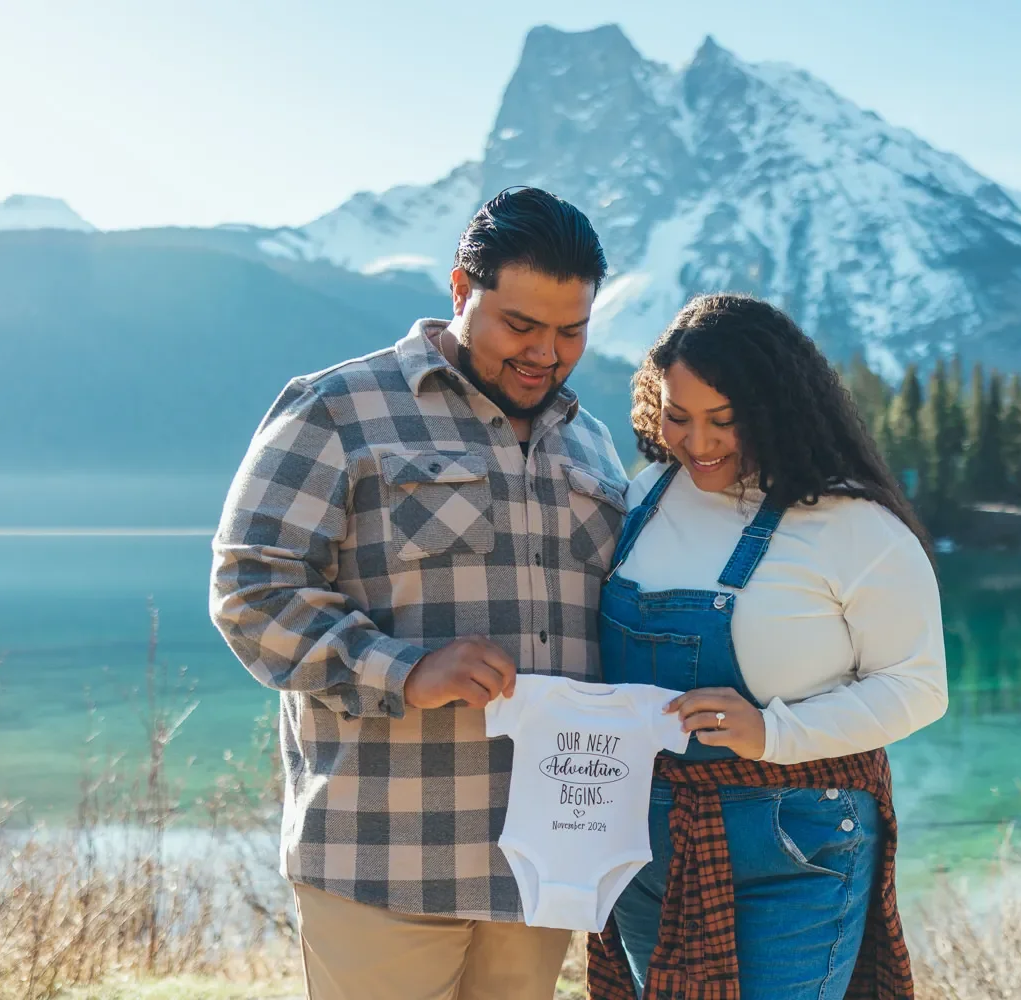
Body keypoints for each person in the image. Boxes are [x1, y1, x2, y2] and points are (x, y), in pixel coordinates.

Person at [209, 187, 630, 1000]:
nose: (547, 353)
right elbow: (250, 588)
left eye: (571, 331)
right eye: (522, 325)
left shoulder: (593, 440)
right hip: (386, 859)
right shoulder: (339, 409)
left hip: (541, 866)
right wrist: (402, 670)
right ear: (461, 290)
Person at [587, 294, 948, 1000]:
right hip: (646, 840)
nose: (697, 443)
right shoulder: (644, 497)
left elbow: (918, 686)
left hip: (796, 846)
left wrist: (773, 730)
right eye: (676, 415)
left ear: (779, 409)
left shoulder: (852, 526)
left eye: (725, 420)